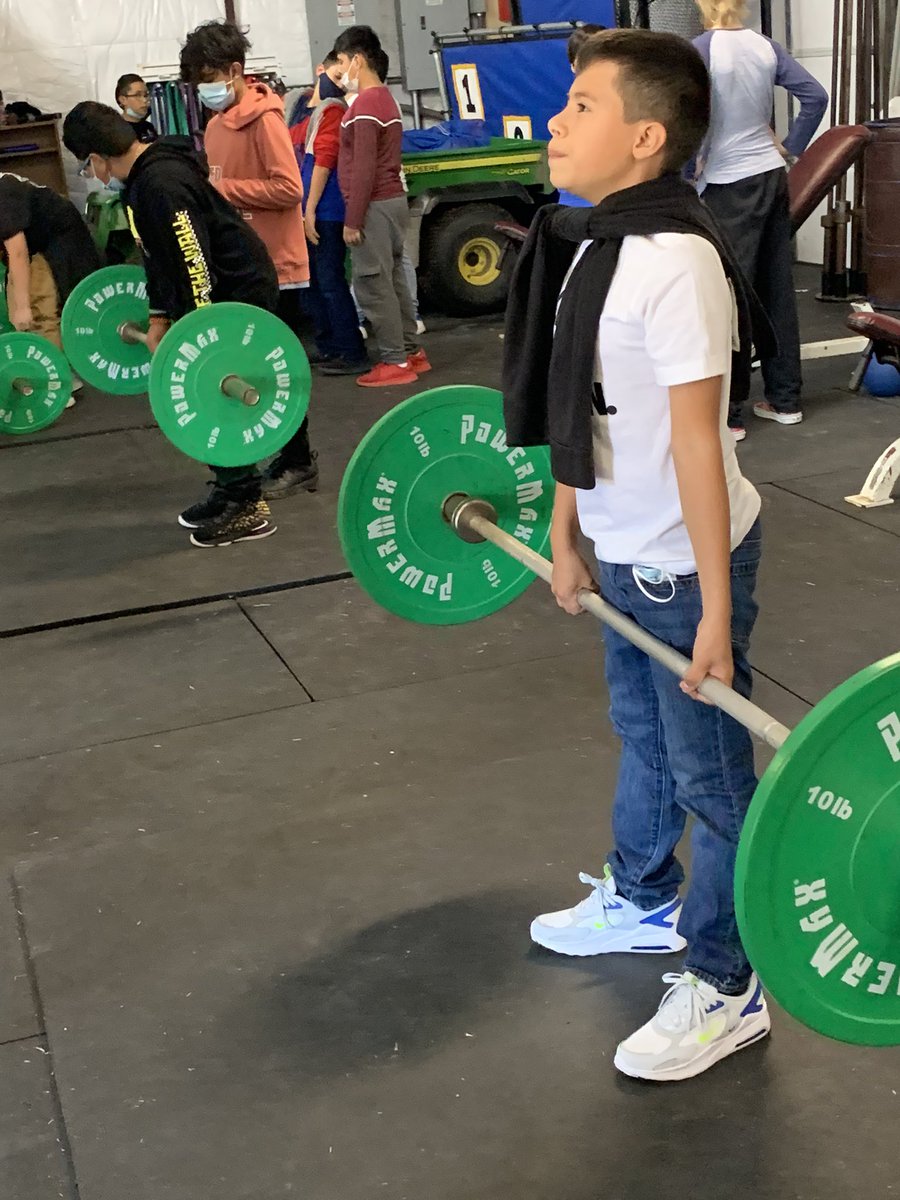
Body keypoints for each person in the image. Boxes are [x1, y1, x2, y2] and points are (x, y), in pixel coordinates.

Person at [504, 28, 776, 1082]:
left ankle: (728, 981)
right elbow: (584, 406)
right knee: (642, 734)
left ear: (646, 138)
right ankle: (645, 897)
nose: (555, 123)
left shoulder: (679, 263)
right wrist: (563, 535)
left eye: (580, 108)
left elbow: (702, 444)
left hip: (683, 559)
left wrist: (713, 607)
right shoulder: (593, 244)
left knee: (713, 779)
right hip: (623, 550)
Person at [62, 102, 282, 548]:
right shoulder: (139, 184)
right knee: (204, 391)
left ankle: (248, 505)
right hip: (210, 291)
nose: (90, 173)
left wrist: (201, 333)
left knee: (212, 391)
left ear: (99, 158)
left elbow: (194, 260)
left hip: (234, 291)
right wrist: (160, 316)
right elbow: (157, 258)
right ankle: (229, 490)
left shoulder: (161, 183)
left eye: (87, 165)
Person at [180, 19, 319, 501]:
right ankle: (279, 456)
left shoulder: (266, 120)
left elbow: (289, 188)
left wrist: (220, 191)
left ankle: (299, 460)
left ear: (235, 70)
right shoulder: (217, 125)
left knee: (273, 368)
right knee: (246, 366)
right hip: (237, 265)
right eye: (198, 80)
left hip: (274, 265)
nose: (205, 89)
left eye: (210, 76)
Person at [693, 0, 828, 437]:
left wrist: (682, 172)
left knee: (729, 297)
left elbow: (684, 116)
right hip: (770, 176)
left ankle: (731, 415)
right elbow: (815, 96)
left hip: (726, 183)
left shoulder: (698, 50)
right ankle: (785, 400)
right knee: (776, 288)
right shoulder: (767, 47)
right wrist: (790, 146)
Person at [333, 25, 429, 387]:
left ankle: (394, 361)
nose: (340, 71)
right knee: (393, 279)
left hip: (373, 204)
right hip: (391, 201)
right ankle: (410, 350)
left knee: (374, 282)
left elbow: (363, 168)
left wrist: (352, 219)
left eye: (342, 61)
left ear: (357, 59)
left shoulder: (365, 105)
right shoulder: (386, 100)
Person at [292, 52, 369, 376]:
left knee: (328, 280)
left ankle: (350, 351)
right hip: (309, 207)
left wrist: (309, 210)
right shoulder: (302, 109)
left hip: (326, 210)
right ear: (319, 71)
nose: (340, 84)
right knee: (313, 283)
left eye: (343, 79)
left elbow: (323, 161)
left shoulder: (333, 111)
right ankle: (330, 346)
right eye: (336, 77)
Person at [0, 171, 101, 407]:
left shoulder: (3, 193)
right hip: (35, 242)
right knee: (14, 306)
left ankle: (57, 386)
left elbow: (18, 251)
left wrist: (23, 306)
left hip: (57, 242)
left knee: (37, 311)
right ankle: (58, 372)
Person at [557, 23, 606, 209]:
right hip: (579, 206)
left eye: (601, 59)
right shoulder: (567, 116)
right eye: (586, 61)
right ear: (573, 66)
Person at [114, 74, 157, 144]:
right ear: (123, 99)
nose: (144, 100)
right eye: (138, 95)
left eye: (146, 95)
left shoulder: (149, 127)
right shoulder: (116, 130)